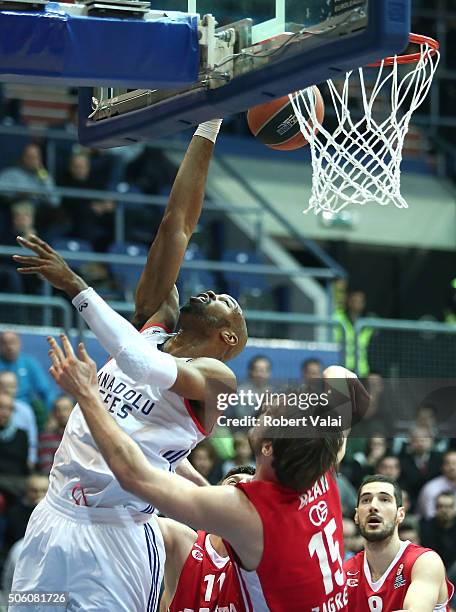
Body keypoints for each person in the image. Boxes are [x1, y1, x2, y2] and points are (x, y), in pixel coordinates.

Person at [11, 119, 248, 612]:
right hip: (53, 516)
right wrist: (209, 123)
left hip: (116, 538)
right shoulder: (155, 321)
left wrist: (76, 286)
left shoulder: (216, 379)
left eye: (226, 300)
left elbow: (138, 364)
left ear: (228, 336)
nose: (210, 291)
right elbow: (177, 225)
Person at [46, 340, 370, 611]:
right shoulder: (321, 460)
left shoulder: (249, 512)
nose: (262, 409)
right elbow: (340, 376)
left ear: (269, 447)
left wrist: (87, 395)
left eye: (269, 414)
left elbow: (135, 476)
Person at [344, 474, 454, 611]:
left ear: (400, 514)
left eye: (384, 499)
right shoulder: (346, 571)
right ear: (356, 516)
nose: (373, 506)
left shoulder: (425, 561)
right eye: (366, 500)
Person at [159, 465, 255, 612]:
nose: (240, 486)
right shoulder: (182, 541)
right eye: (232, 482)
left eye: (250, 487)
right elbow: (134, 517)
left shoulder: (260, 565)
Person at [0, 331, 56, 411]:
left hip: (24, 409)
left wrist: (52, 412)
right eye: (5, 343)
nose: (9, 346)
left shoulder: (29, 363)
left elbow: (45, 391)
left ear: (19, 344)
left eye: (13, 342)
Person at [420, 491, 456, 571]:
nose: (444, 510)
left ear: (454, 508)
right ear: (435, 508)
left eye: (449, 507)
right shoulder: (427, 527)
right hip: (433, 568)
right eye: (440, 506)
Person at [417, 451, 456, 519]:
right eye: (448, 463)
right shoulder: (431, 488)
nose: (452, 467)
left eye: (455, 463)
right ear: (442, 467)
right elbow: (430, 516)